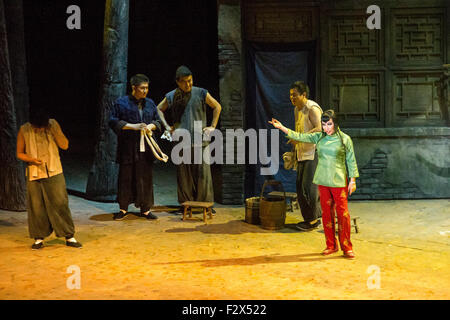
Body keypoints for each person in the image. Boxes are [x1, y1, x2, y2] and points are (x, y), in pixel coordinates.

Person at [269, 110, 359, 259]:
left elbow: (351, 160)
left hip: (338, 181)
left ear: (335, 123)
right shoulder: (319, 137)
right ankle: (331, 245)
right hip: (323, 180)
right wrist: (282, 128)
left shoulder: (345, 139)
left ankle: (347, 247)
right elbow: (301, 136)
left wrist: (353, 180)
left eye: (329, 124)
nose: (326, 128)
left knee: (343, 215)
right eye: (323, 124)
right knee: (326, 215)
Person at [16, 106, 82, 250]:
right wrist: (31, 159)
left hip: (54, 170)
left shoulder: (53, 125)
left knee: (60, 203)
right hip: (34, 172)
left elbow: (65, 146)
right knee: (36, 206)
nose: (39, 130)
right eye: (36, 127)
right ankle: (39, 237)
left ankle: (69, 235)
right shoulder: (24, 129)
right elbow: (19, 153)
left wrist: (54, 131)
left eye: (42, 127)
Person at [157, 65, 221, 208]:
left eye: (190, 80)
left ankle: (205, 204)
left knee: (203, 175)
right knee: (184, 176)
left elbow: (217, 106)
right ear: (178, 82)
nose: (188, 84)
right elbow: (159, 109)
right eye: (185, 81)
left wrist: (212, 126)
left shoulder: (201, 93)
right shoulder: (172, 95)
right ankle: (186, 205)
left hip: (200, 140)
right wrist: (167, 127)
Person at [109, 74, 162, 220]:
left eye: (147, 88)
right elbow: (113, 121)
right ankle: (123, 208)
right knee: (126, 177)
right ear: (134, 88)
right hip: (128, 147)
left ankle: (145, 209)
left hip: (145, 148)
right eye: (142, 88)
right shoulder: (122, 103)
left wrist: (151, 126)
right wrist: (133, 127)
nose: (145, 91)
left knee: (145, 177)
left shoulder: (150, 103)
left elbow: (158, 121)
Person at [287, 81, 323, 231]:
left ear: (304, 95)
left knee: (309, 188)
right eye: (290, 95)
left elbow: (320, 129)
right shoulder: (297, 110)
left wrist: (300, 138)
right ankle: (311, 219)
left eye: (295, 95)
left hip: (314, 152)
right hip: (302, 152)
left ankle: (313, 221)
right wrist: (294, 149)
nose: (292, 98)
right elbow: (298, 130)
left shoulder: (312, 109)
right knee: (300, 188)